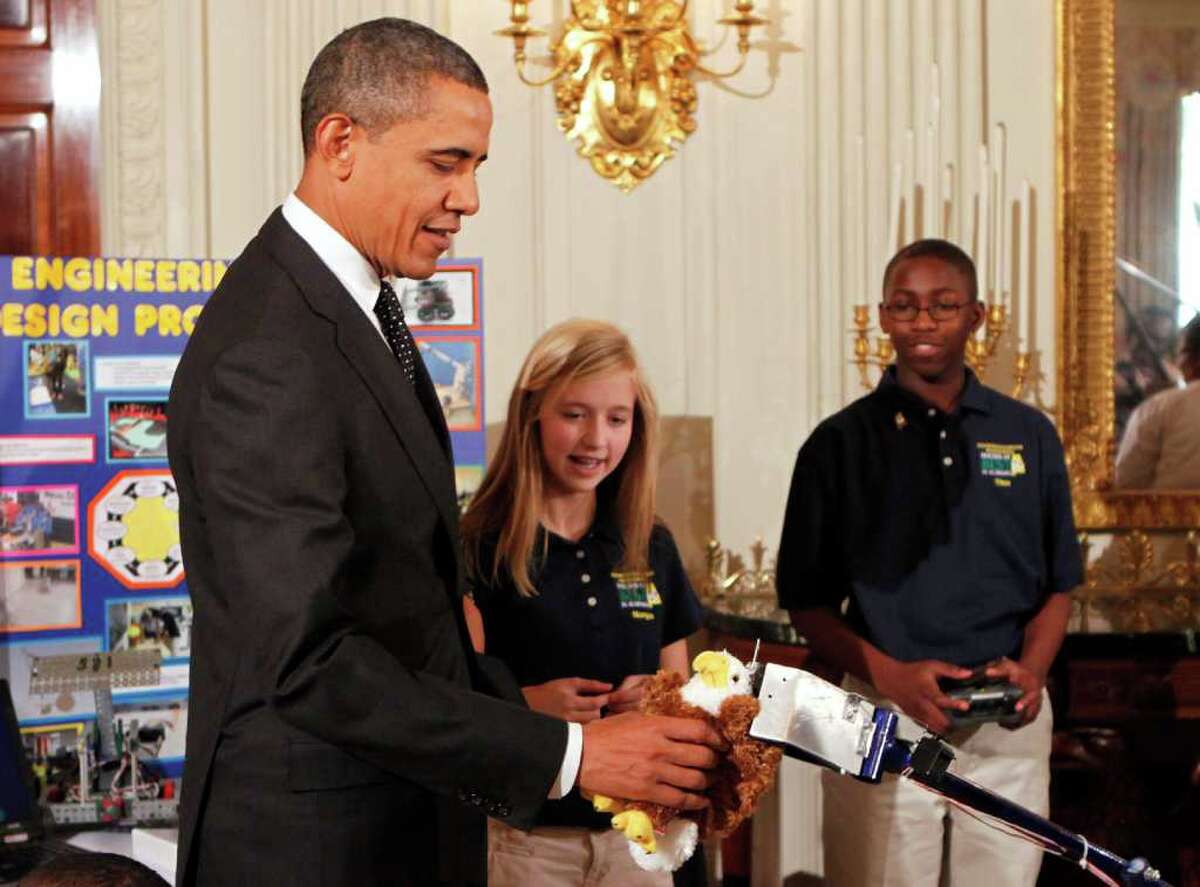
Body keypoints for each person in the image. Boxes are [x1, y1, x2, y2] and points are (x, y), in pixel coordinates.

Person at [167, 18, 722, 887]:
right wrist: (573, 754)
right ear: (340, 141)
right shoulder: (269, 346)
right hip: (315, 848)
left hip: (405, 821)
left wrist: (599, 739)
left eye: (476, 167)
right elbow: (308, 660)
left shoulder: (355, 309)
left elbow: (414, 624)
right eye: (445, 162)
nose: (469, 198)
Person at [775, 239, 1082, 886]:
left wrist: (1032, 672)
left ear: (976, 316)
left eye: (943, 306)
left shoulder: (1029, 434)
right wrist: (890, 674)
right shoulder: (837, 444)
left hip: (1007, 723)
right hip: (883, 715)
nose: (924, 321)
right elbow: (805, 600)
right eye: (906, 306)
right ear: (883, 316)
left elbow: (1060, 582)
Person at [461, 319, 705, 886]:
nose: (597, 439)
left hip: (641, 844)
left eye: (616, 419)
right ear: (533, 416)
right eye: (575, 415)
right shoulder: (477, 546)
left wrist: (664, 698)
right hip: (526, 847)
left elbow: (692, 703)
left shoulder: (651, 543)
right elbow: (452, 709)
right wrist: (526, 706)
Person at [1115, 314, 1200, 489]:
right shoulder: (1159, 404)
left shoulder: (1159, 407)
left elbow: (1126, 488)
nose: (1177, 363)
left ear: (1193, 358)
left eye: (1162, 341)